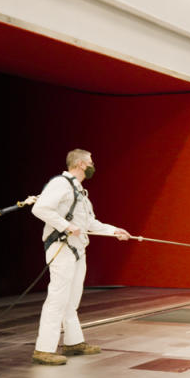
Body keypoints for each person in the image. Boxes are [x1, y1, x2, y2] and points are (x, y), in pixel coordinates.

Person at [31, 149, 130, 365]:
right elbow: (40, 208)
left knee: (72, 298)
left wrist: (115, 231)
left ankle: (73, 342)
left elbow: (90, 224)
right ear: (82, 164)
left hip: (77, 249)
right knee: (57, 298)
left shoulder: (81, 192)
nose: (93, 164)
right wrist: (67, 226)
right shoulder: (60, 184)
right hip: (61, 246)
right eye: (91, 161)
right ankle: (43, 349)